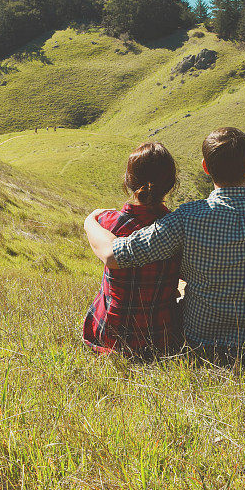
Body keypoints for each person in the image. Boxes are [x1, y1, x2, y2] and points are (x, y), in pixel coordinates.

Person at [84, 127, 245, 362]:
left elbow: (115, 255)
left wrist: (90, 221)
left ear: (205, 168)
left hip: (199, 342)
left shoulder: (188, 217)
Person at [82, 142, 182, 357]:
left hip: (111, 334)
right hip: (160, 336)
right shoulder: (176, 228)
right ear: (171, 184)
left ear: (128, 181)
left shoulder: (108, 222)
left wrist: (90, 218)